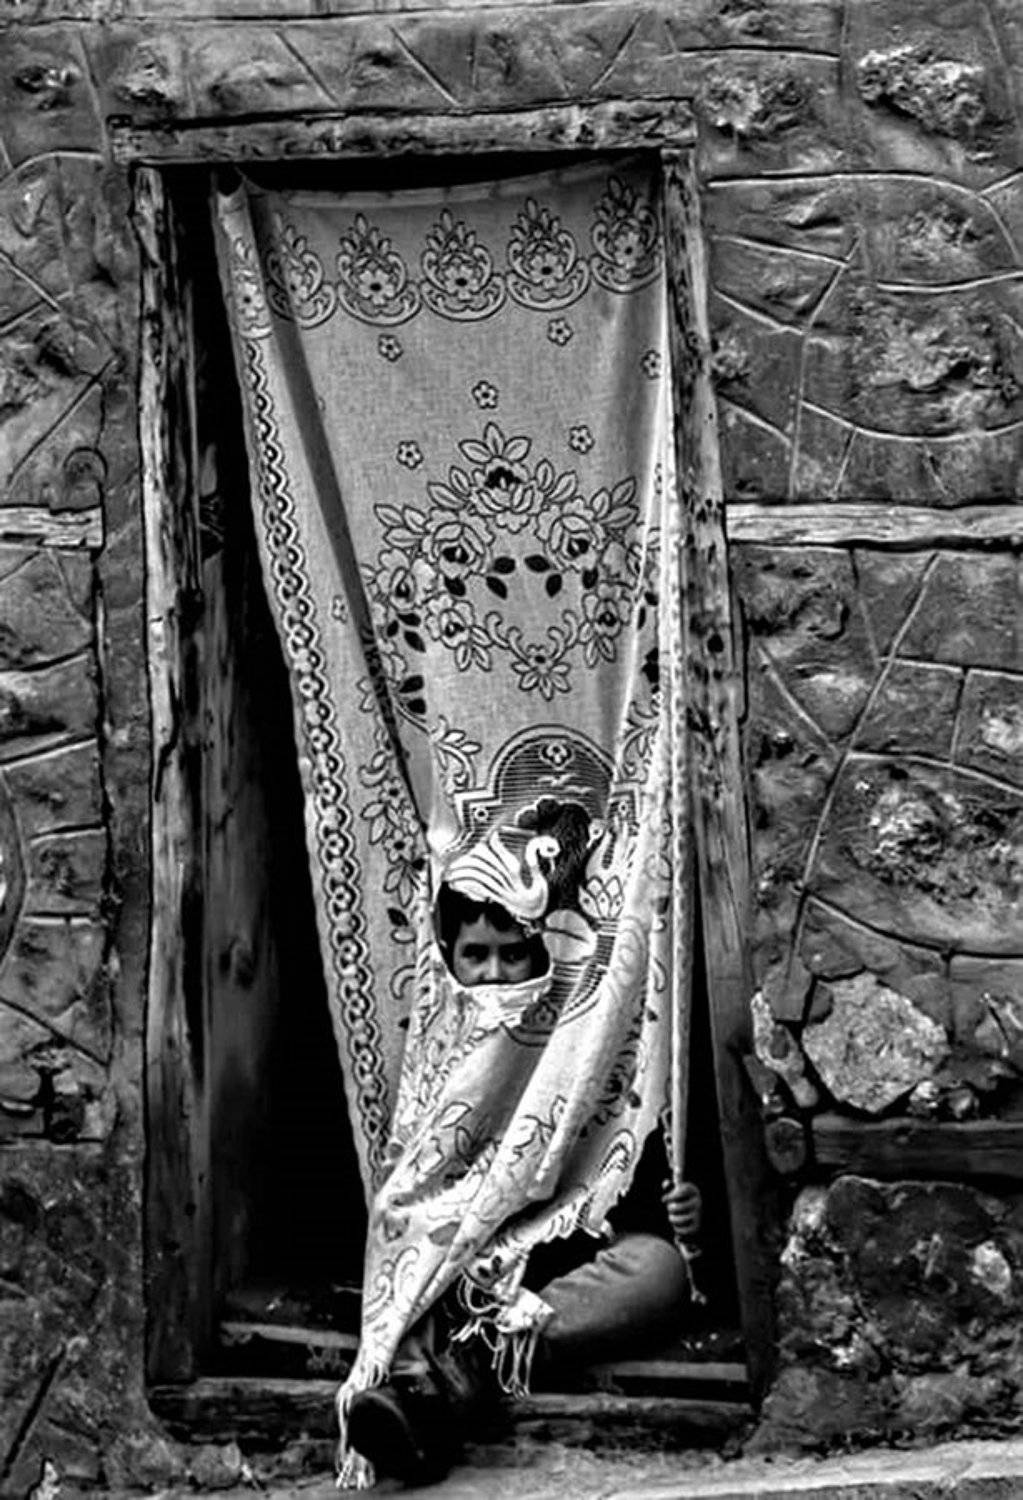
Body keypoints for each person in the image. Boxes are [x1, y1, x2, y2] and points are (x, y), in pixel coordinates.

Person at [346, 890, 703, 1484]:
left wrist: (680, 1214)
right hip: (464, 1267)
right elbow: (411, 1187)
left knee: (659, 1269)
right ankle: (421, 1391)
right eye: (475, 954)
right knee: (407, 1243)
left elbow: (623, 1177)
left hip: (562, 1274)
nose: (493, 972)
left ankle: (473, 1367)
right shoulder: (431, 1052)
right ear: (448, 958)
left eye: (512, 954)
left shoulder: (586, 1039)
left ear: (543, 955)